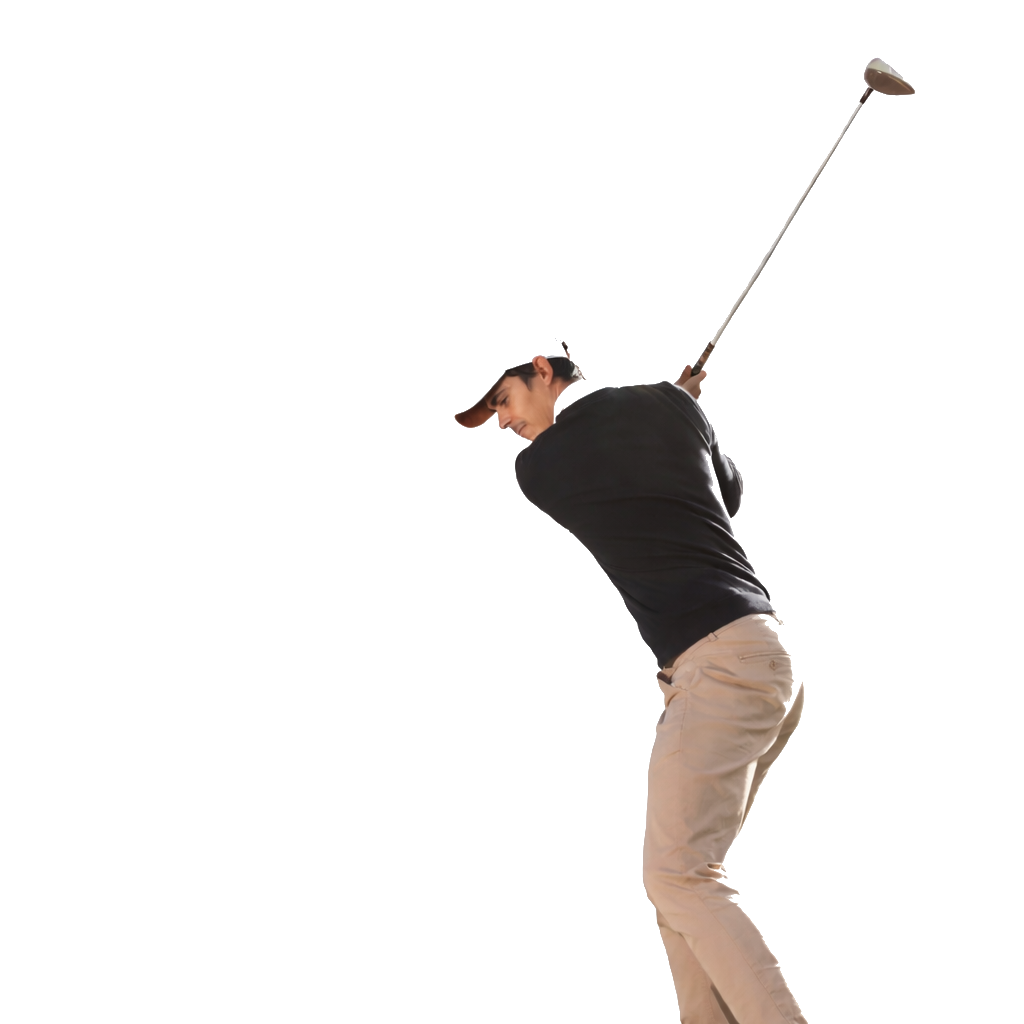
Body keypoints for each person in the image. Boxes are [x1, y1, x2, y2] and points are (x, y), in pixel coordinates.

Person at [454, 345, 807, 1024]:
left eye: (501, 400)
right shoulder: (662, 408)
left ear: (543, 369)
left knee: (677, 877)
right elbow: (728, 494)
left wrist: (671, 408)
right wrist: (678, 410)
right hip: (752, 658)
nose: (501, 421)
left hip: (722, 665)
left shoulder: (539, 467)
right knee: (679, 883)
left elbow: (614, 449)